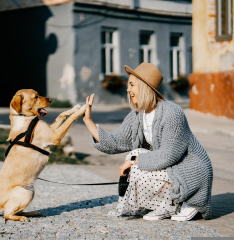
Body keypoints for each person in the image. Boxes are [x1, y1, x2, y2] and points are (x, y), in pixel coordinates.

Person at [83, 62, 213, 221]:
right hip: (171, 168)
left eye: (132, 85)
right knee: (134, 154)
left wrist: (132, 162)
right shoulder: (137, 115)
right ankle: (166, 205)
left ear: (144, 87)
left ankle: (187, 202)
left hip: (190, 171)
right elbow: (116, 141)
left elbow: (168, 155)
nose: (128, 89)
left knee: (135, 158)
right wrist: (89, 121)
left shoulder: (172, 113)